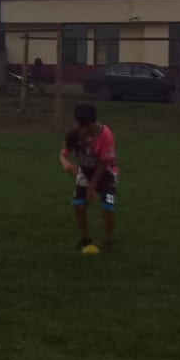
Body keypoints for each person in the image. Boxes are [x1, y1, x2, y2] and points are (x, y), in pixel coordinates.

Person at [59, 103, 119, 252]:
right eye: (79, 125)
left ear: (93, 122)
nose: (81, 129)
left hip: (106, 174)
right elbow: (63, 153)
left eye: (85, 126)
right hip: (85, 173)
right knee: (78, 205)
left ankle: (109, 241)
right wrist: (65, 163)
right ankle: (85, 238)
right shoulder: (75, 132)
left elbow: (104, 163)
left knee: (107, 207)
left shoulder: (105, 135)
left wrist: (92, 187)